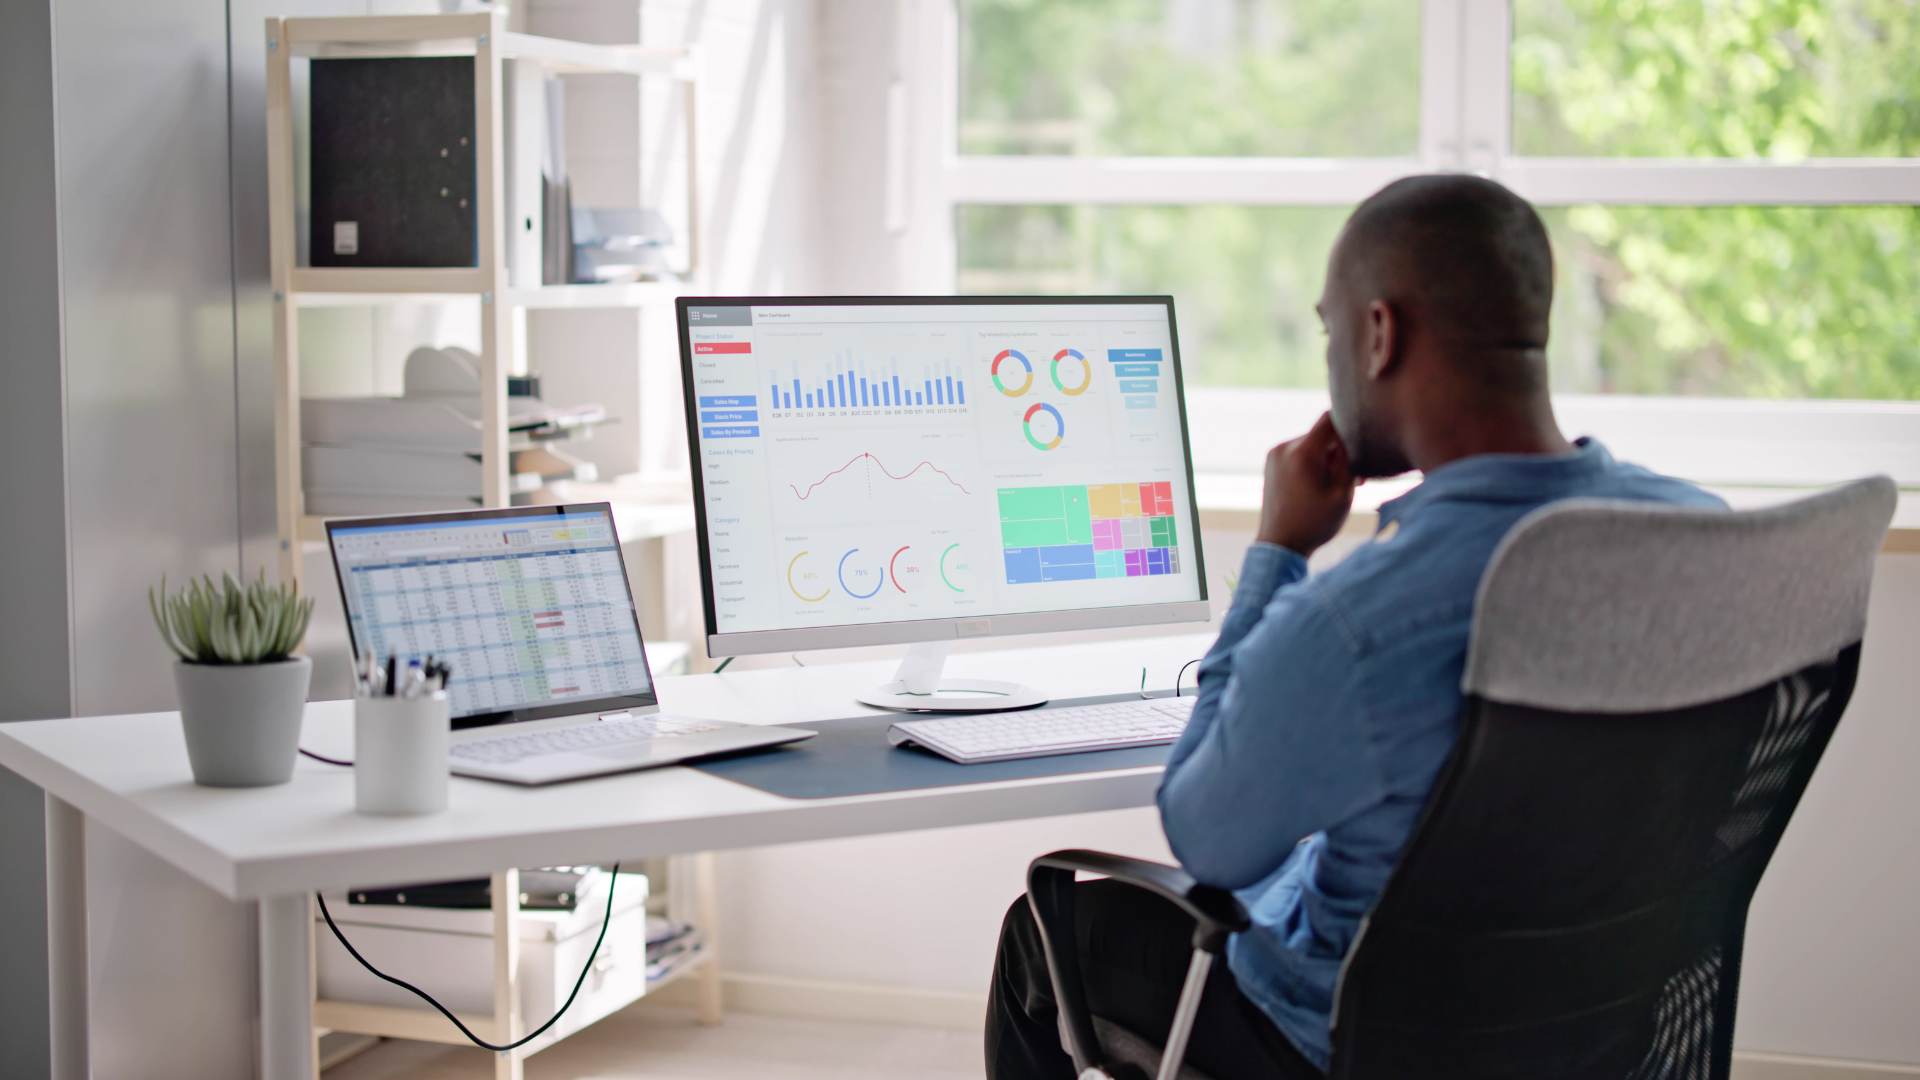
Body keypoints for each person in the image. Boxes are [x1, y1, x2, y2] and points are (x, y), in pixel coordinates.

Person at [985, 174, 1727, 1080]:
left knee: (1042, 933)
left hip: (1351, 1039)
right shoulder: (1699, 532)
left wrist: (1276, 555)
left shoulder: (1363, 615)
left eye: (1331, 331)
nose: (1332, 362)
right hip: (1600, 1031)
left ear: (1380, 335)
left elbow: (1207, 838)